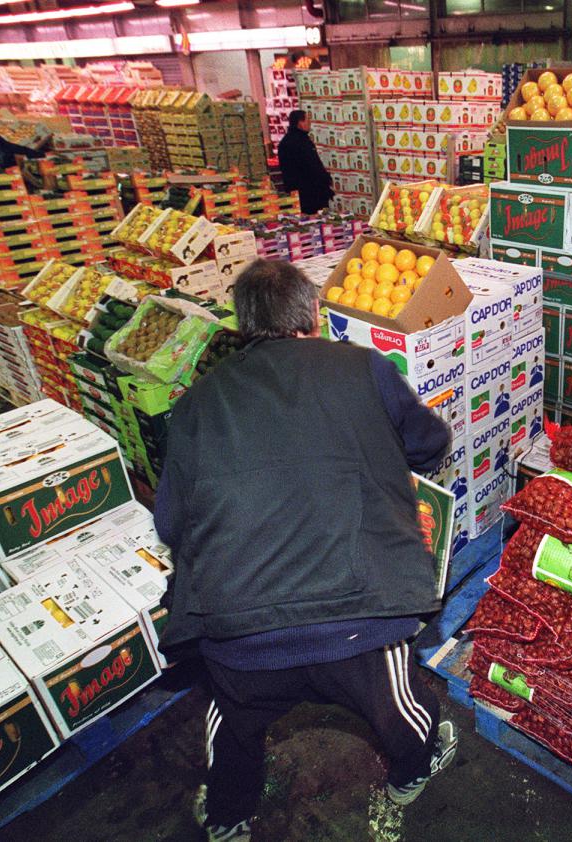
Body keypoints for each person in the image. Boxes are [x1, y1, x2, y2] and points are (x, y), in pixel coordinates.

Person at [154, 259, 457, 842]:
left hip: (241, 634)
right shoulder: (363, 368)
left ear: (242, 326)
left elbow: (172, 523)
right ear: (313, 315)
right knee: (401, 708)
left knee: (231, 724)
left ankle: (228, 818)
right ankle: (410, 775)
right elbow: (430, 443)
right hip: (357, 619)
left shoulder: (195, 405)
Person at [276, 109, 334, 213]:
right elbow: (313, 165)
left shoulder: (284, 142)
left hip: (295, 193)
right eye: (307, 120)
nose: (310, 123)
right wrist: (325, 181)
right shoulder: (302, 142)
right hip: (311, 193)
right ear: (300, 123)